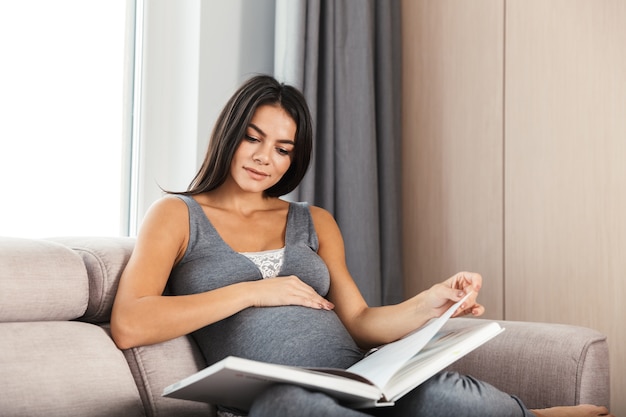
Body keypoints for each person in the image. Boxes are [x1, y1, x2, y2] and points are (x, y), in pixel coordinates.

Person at [110, 75, 613, 417]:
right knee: (292, 406)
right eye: (253, 138)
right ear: (229, 135)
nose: (266, 158)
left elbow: (360, 321)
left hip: (356, 376)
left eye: (283, 149)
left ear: (295, 159)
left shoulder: (314, 221)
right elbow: (131, 323)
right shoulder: (177, 216)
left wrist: (430, 304)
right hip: (274, 394)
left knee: (437, 392)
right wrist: (250, 292)